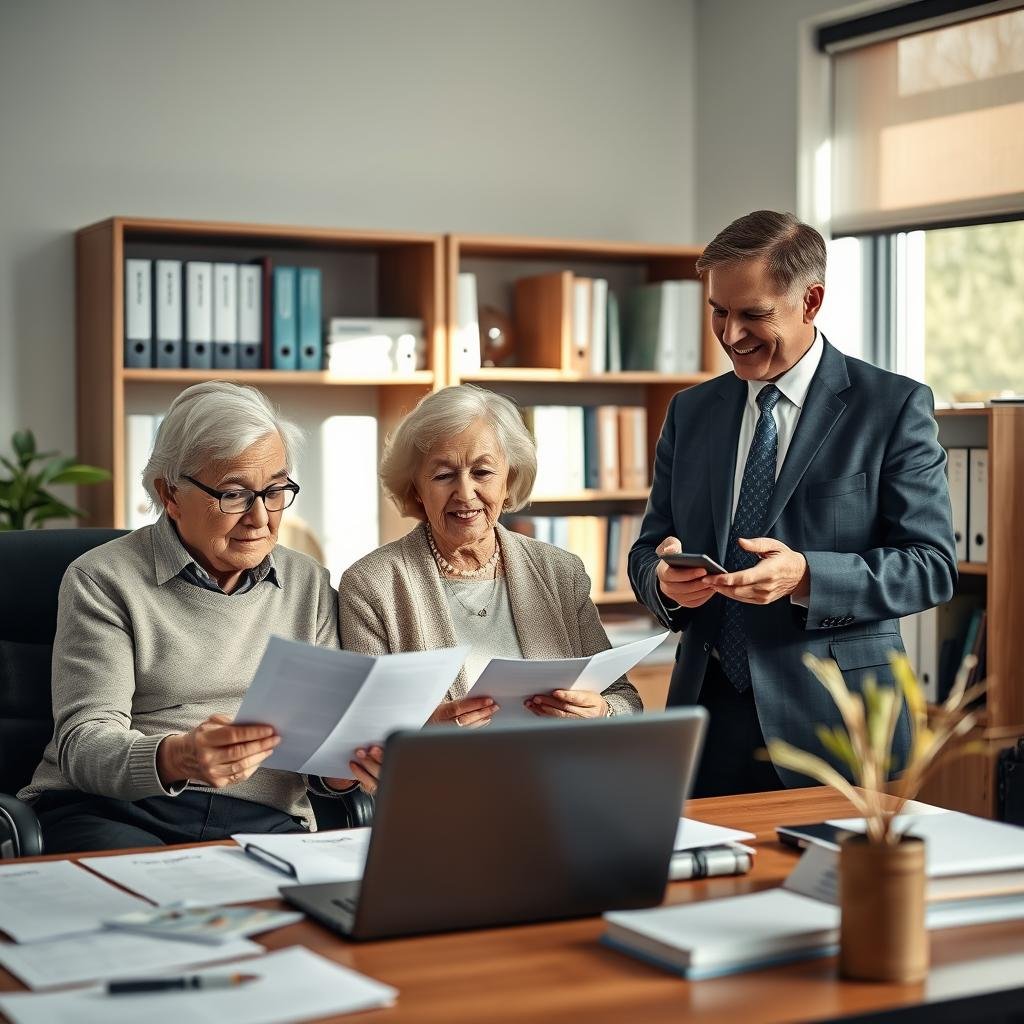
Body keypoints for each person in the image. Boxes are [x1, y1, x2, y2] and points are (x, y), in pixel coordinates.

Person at [628, 210, 957, 797]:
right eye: (718, 312)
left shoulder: (894, 407)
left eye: (753, 314)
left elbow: (930, 567)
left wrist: (806, 576)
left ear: (811, 301)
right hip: (704, 718)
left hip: (837, 722)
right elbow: (650, 547)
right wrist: (660, 579)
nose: (731, 335)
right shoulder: (690, 411)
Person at [19, 382, 357, 852]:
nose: (260, 518)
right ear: (170, 494)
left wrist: (344, 771)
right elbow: (83, 744)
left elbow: (320, 749)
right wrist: (179, 756)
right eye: (235, 494)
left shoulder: (310, 585)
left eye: (276, 490)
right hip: (117, 809)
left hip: (262, 820)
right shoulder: (102, 579)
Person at [340, 384, 643, 793]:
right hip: (443, 804)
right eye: (444, 474)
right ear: (416, 487)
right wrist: (425, 732)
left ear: (509, 479)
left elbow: (626, 700)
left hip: (561, 792)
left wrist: (601, 711)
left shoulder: (560, 572)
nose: (465, 493)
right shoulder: (373, 585)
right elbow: (356, 741)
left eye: (482, 472)